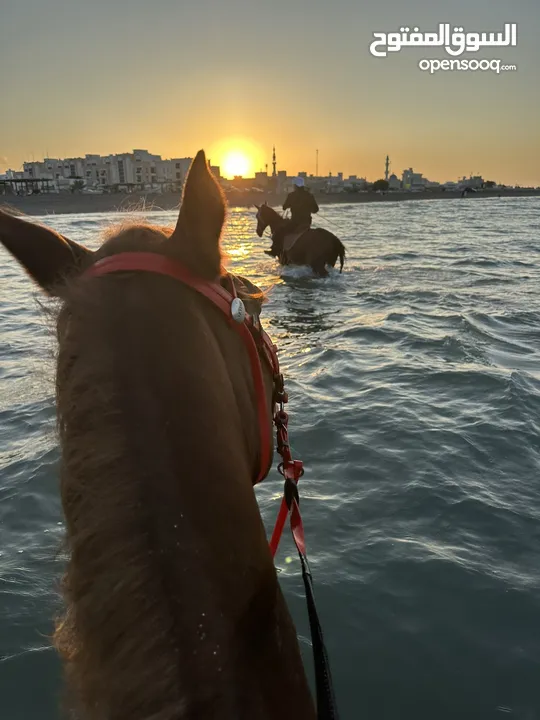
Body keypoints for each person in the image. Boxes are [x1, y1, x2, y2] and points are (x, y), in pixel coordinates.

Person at [265, 177, 319, 256]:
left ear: (295, 186)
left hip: (295, 223)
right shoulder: (309, 195)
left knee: (279, 232)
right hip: (307, 223)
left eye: (294, 185)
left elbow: (284, 207)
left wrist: (290, 205)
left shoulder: (292, 195)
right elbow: (315, 210)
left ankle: (274, 251)